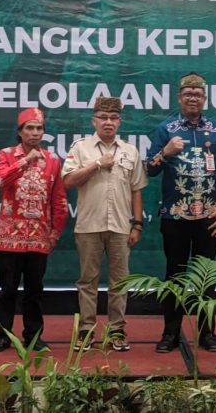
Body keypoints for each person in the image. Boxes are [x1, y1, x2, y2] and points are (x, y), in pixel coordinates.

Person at [145, 72, 216, 353]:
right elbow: (150, 168)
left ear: (204, 98)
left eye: (197, 94)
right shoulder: (166, 129)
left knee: (206, 277)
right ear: (179, 98)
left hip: (209, 217)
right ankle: (170, 333)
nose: (192, 98)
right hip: (175, 216)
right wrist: (166, 152)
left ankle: (207, 333)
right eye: (188, 94)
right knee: (175, 275)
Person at [63, 96, 148, 352]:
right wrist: (97, 164)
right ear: (94, 121)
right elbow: (68, 181)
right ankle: (86, 330)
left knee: (119, 281)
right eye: (103, 118)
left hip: (121, 226)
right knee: (87, 280)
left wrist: (137, 225)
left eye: (113, 118)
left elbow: (137, 190)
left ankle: (117, 330)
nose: (108, 122)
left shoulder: (130, 151)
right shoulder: (81, 148)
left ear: (119, 121)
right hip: (89, 225)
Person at [0, 108, 68, 353]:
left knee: (35, 291)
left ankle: (33, 336)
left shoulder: (52, 160)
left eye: (39, 128)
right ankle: (3, 335)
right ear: (20, 132)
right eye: (29, 128)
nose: (35, 133)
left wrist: (55, 233)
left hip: (39, 238)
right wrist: (25, 161)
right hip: (8, 238)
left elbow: (59, 200)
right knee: (7, 290)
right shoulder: (6, 155)